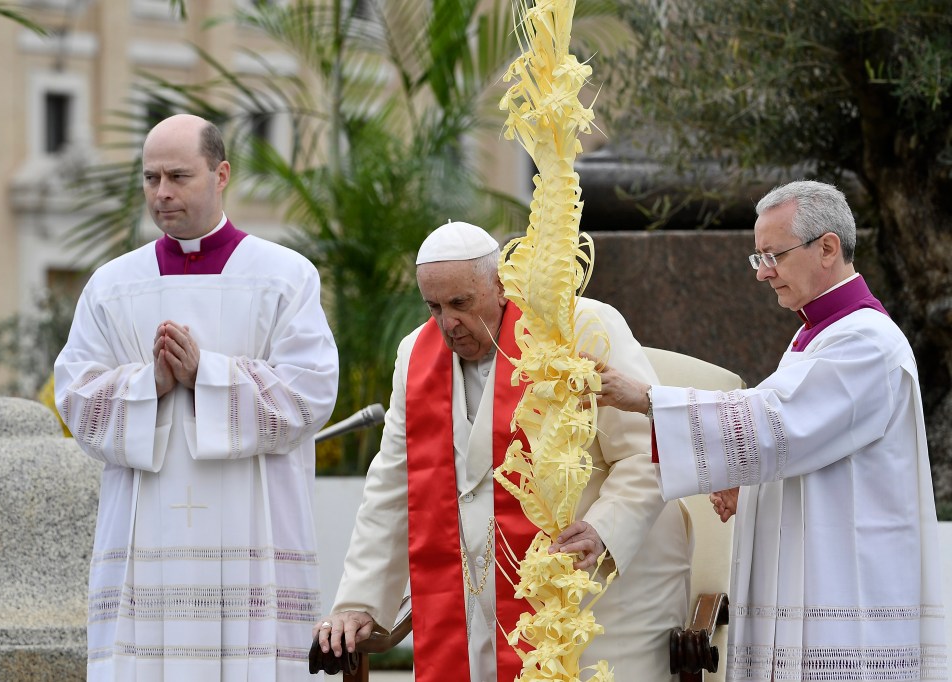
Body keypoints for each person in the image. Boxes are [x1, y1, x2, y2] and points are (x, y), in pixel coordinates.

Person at [593, 180, 948, 680]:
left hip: (849, 595)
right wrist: (755, 489)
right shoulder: (816, 335)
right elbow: (804, 446)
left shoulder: (865, 343)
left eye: (772, 255)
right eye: (756, 258)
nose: (763, 273)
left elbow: (775, 421)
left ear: (826, 248)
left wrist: (649, 400)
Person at [315, 221, 692, 682]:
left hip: (595, 593)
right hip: (474, 605)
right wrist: (359, 603)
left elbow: (648, 450)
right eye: (433, 307)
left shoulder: (580, 328)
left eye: (460, 303)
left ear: (500, 284)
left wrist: (602, 528)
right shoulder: (415, 353)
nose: (446, 324)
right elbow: (393, 489)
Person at [55, 114, 339, 681]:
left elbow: (311, 392)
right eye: (150, 177)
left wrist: (206, 373)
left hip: (252, 538)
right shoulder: (113, 285)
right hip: (146, 543)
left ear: (221, 174)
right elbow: (75, 398)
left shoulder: (285, 277)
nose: (162, 193)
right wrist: (149, 384)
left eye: (179, 176)